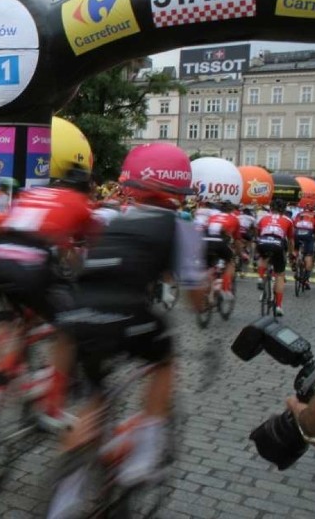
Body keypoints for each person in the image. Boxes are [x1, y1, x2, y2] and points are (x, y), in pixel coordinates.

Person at [46, 177, 206, 518]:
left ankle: (63, 499)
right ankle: (144, 452)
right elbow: (194, 289)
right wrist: (203, 307)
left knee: (94, 399)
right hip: (128, 313)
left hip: (79, 312)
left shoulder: (118, 219)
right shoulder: (179, 225)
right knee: (165, 358)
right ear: (176, 201)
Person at [256, 199, 294, 317]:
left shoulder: (263, 218)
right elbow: (291, 241)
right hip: (278, 244)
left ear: (271, 208)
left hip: (263, 241)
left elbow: (258, 234)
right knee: (280, 275)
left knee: (263, 257)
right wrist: (291, 254)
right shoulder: (288, 220)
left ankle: (260, 277)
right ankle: (278, 306)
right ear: (284, 210)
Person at [204, 201, 240, 301]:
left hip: (206, 242)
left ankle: (208, 291)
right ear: (232, 210)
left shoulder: (212, 217)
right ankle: (225, 288)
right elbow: (237, 239)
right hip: (220, 243)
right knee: (230, 262)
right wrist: (239, 253)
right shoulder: (234, 218)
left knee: (209, 266)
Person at [292, 202, 315, 290]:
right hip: (308, 235)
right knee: (309, 255)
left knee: (295, 249)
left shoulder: (299, 214)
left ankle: (294, 262)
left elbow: (293, 227)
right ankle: (306, 277)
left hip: (297, 233)